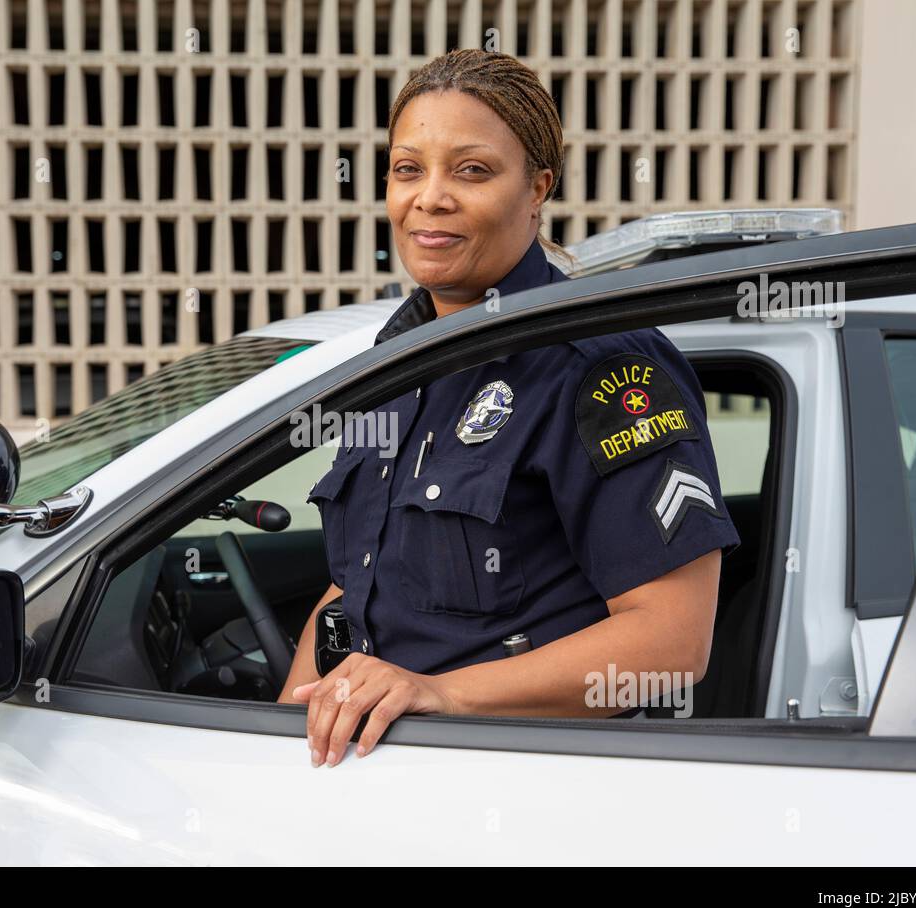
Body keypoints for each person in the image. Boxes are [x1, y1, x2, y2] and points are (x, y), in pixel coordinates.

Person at [275, 49, 740, 767]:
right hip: (379, 781)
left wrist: (441, 694)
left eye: (472, 170)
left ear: (537, 188)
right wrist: (281, 739)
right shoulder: (396, 359)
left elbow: (672, 644)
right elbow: (353, 586)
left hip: (523, 782)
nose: (430, 197)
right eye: (408, 169)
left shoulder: (601, 368)